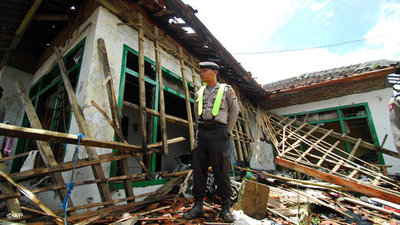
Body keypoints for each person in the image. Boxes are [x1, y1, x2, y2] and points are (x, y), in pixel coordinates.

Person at [183, 61, 239, 223]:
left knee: (221, 171)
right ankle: (198, 206)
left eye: (205, 70)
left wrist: (226, 132)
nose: (201, 73)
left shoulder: (226, 90)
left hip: (219, 132)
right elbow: (196, 113)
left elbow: (234, 112)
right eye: (201, 71)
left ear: (214, 72)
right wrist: (199, 131)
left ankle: (225, 208)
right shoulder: (199, 92)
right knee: (198, 170)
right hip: (202, 133)